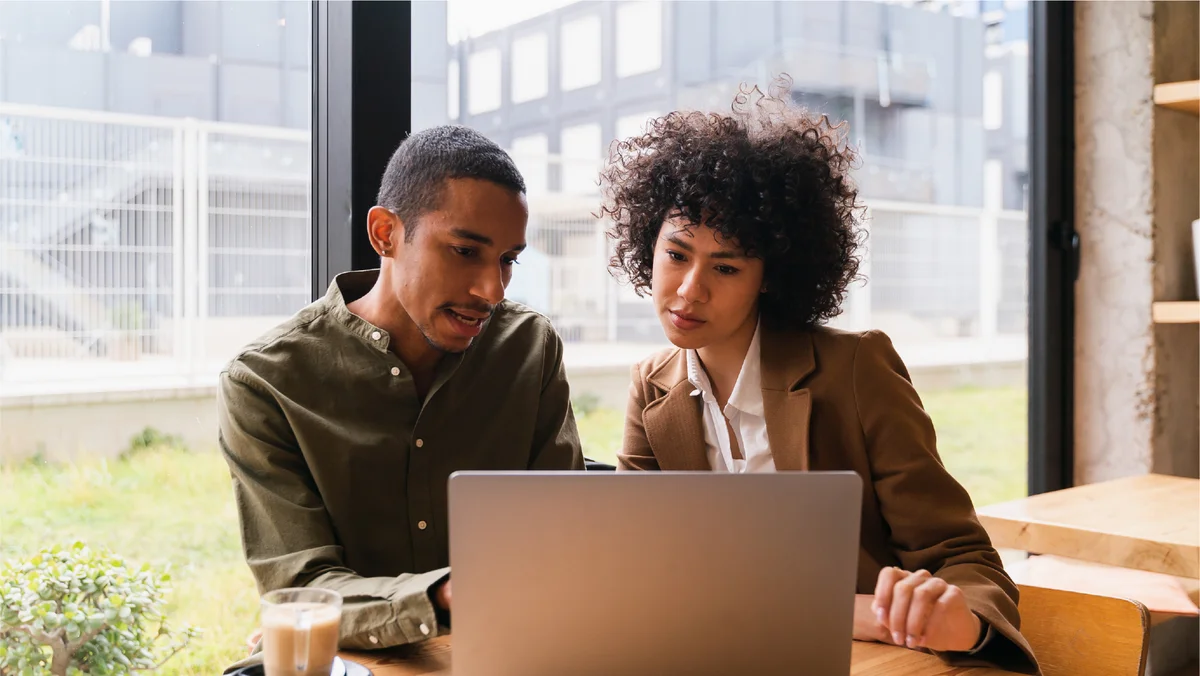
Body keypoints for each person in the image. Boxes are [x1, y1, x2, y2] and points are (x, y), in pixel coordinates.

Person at [601, 79, 1038, 674]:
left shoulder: (855, 371)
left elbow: (964, 558)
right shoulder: (651, 389)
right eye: (676, 254)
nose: (688, 289)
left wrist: (955, 616)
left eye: (725, 266)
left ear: (770, 276)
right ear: (646, 244)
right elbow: (639, 569)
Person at [217, 125, 584, 664]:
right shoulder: (265, 384)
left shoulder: (528, 348)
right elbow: (301, 587)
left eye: (508, 259)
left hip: (513, 654)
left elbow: (564, 535)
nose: (492, 290)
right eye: (465, 251)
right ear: (385, 233)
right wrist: (441, 596)